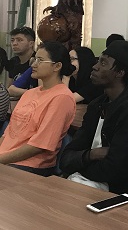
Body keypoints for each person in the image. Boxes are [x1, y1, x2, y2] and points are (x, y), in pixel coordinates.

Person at [60, 40, 128, 194]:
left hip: (117, 192)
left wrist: (79, 167)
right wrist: (91, 155)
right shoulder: (97, 105)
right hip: (85, 180)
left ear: (120, 73)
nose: (95, 66)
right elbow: (66, 157)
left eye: (103, 63)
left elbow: (116, 168)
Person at [0, 41, 76, 176]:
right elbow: (8, 134)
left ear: (57, 66)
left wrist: (1, 159)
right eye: (34, 60)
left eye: (40, 60)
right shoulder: (29, 93)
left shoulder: (62, 98)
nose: (33, 65)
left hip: (29, 165)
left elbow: (39, 145)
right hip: (6, 159)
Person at [6, 26, 36, 97]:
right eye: (12, 40)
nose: (14, 43)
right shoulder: (13, 61)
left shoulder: (37, 61)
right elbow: (9, 90)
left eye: (19, 40)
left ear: (31, 44)